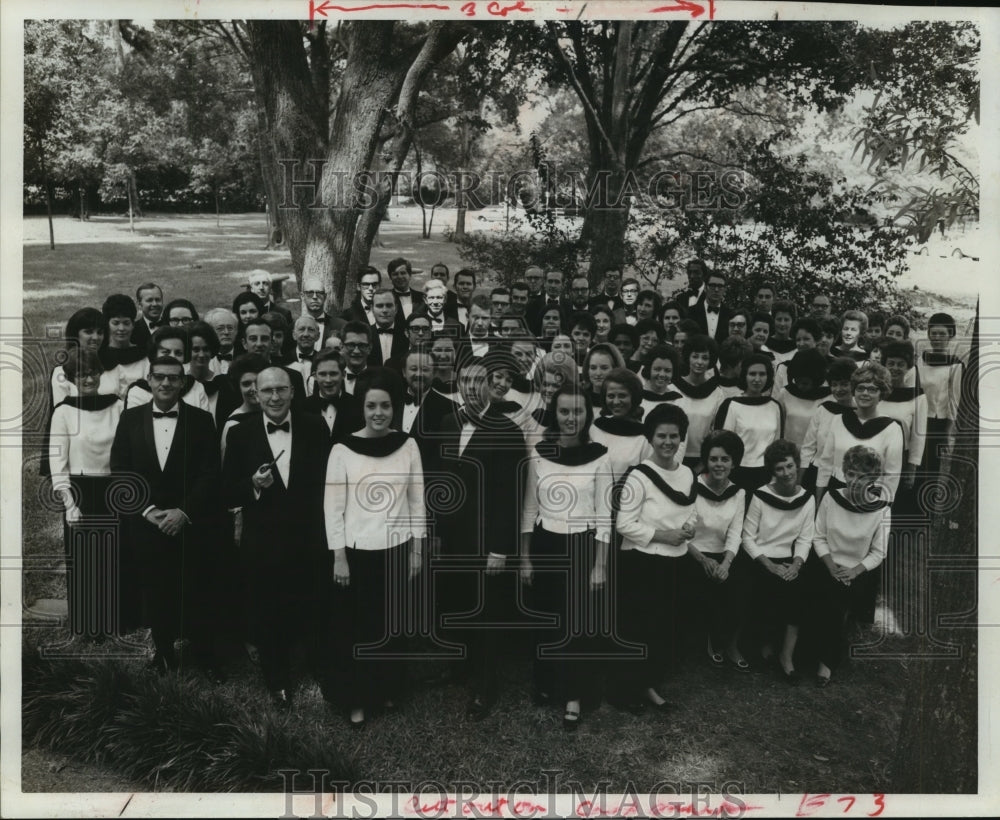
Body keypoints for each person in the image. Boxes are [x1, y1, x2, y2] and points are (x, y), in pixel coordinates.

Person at [222, 367, 334, 708]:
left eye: (281, 389)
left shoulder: (315, 426)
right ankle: (277, 679)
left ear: (293, 392)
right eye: (267, 390)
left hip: (310, 535)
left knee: (314, 604)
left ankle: (319, 666)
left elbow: (330, 481)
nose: (274, 397)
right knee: (268, 609)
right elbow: (226, 492)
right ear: (255, 393)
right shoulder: (240, 434)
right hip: (264, 540)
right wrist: (253, 486)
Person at [325, 368, 426, 727]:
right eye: (371, 406)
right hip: (355, 554)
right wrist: (339, 557)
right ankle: (356, 699)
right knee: (357, 629)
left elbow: (417, 500)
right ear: (362, 408)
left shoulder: (408, 445)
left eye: (385, 405)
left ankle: (387, 690)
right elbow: (332, 507)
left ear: (394, 408)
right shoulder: (342, 449)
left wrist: (417, 549)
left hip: (397, 550)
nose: (379, 413)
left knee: (390, 628)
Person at [110, 354, 220, 675]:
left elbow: (209, 473)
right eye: (159, 377)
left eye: (173, 378)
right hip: (148, 524)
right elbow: (121, 471)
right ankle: (165, 653)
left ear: (183, 383)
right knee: (156, 590)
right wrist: (148, 511)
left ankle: (204, 654)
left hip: (191, 521)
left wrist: (184, 511)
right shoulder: (130, 419)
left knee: (197, 588)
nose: (166, 383)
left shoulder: (201, 420)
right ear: (149, 380)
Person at [434, 356, 527, 719]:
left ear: (491, 386)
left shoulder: (507, 431)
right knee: (457, 605)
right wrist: (439, 534)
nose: (472, 389)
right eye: (466, 382)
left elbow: (511, 495)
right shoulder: (446, 422)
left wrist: (500, 549)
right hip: (453, 538)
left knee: (487, 613)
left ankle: (485, 687)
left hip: (488, 542)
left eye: (479, 382)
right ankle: (459, 668)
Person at [520, 386, 613, 731]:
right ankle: (546, 683)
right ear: (554, 414)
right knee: (546, 620)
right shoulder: (539, 453)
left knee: (576, 627)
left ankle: (574, 695)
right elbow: (529, 507)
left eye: (577, 412)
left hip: (583, 547)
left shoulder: (601, 456)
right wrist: (526, 557)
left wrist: (600, 564)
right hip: (545, 545)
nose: (571, 418)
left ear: (588, 414)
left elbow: (605, 514)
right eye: (564, 412)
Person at [613, 403, 697, 711]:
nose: (667, 442)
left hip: (676, 561)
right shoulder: (639, 477)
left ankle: (649, 685)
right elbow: (623, 524)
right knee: (638, 628)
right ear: (651, 438)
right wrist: (664, 535)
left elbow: (691, 509)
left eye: (674, 436)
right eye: (661, 435)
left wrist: (689, 527)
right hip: (643, 562)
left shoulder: (687, 472)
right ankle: (626, 691)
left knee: (663, 628)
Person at [47, 349, 126, 638]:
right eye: (81, 374)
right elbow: (58, 462)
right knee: (84, 559)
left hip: (114, 487)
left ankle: (114, 621)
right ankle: (87, 624)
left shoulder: (117, 406)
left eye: (93, 372)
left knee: (114, 556)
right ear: (70, 379)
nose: (89, 378)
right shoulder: (64, 412)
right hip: (80, 490)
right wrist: (69, 503)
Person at [808, 446, 890, 687]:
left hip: (857, 572)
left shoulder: (882, 509)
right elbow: (818, 536)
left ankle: (827, 661)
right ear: (844, 473)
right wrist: (831, 566)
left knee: (837, 602)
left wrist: (854, 571)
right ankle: (803, 651)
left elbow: (879, 552)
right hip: (825, 563)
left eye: (863, 476)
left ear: (873, 479)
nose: (855, 481)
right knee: (809, 594)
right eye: (851, 474)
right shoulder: (831, 498)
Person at [741, 440, 815, 684]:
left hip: (790, 558)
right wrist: (769, 565)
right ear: (772, 471)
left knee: (799, 592)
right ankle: (764, 645)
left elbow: (805, 538)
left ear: (797, 465)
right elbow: (747, 537)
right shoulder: (761, 496)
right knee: (764, 591)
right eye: (780, 469)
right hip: (761, 557)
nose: (786, 473)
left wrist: (796, 565)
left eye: (790, 466)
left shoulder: (807, 499)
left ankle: (787, 656)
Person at [686, 430, 749, 670]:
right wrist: (703, 560)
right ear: (706, 461)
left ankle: (730, 643)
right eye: (714, 459)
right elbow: (685, 528)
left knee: (741, 585)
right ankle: (706, 640)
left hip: (723, 555)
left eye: (725, 459)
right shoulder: (692, 486)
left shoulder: (739, 493)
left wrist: (725, 564)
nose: (719, 464)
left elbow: (735, 533)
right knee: (701, 587)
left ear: (734, 463)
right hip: (692, 553)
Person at [815, 362, 904, 506]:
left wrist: (883, 508)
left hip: (870, 497)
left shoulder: (892, 429)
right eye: (860, 388)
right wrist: (819, 498)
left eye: (872, 389)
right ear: (853, 391)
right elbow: (826, 463)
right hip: (836, 491)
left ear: (882, 394)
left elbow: (892, 476)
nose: (865, 393)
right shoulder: (838, 420)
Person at [713, 353, 784, 494]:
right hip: (736, 473)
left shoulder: (775, 406)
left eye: (762, 374)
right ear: (744, 376)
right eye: (752, 374)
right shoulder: (731, 405)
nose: (757, 379)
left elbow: (777, 444)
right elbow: (722, 445)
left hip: (766, 475)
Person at [915, 312, 963, 478]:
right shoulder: (921, 360)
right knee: (913, 464)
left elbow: (954, 402)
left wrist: (947, 434)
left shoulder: (955, 365)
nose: (937, 338)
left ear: (950, 336)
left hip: (937, 423)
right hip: (916, 418)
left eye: (942, 334)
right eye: (933, 333)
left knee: (930, 470)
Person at [799, 356, 857, 492]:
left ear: (853, 385)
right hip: (815, 473)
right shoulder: (823, 409)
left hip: (842, 479)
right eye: (834, 384)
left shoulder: (860, 414)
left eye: (844, 384)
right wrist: (799, 480)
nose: (838, 389)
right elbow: (808, 448)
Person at [123, 326, 211, 412]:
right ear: (154, 355)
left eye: (178, 353)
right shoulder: (138, 391)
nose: (172, 357)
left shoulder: (196, 388)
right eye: (166, 352)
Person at [673, 334, 725, 472]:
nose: (699, 362)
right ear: (688, 357)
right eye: (695, 356)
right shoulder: (673, 388)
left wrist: (702, 465)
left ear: (711, 361)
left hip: (703, 460)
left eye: (705, 358)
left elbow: (716, 432)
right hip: (672, 455)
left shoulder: (717, 393)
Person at [589, 367, 652, 481]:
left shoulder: (644, 437)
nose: (616, 402)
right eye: (611, 396)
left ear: (634, 396)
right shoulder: (594, 429)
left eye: (622, 395)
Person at [303, 347, 362, 445]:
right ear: (314, 376)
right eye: (322, 374)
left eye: (333, 374)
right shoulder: (303, 408)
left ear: (343, 375)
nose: (328, 380)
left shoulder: (357, 406)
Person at [775, 349, 831, 451]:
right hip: (789, 452)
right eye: (797, 381)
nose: (800, 386)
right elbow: (777, 428)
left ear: (816, 380)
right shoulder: (785, 393)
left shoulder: (828, 397)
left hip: (815, 452)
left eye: (805, 383)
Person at [187, 321, 239, 429]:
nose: (201, 355)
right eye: (195, 350)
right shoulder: (180, 384)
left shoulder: (225, 384)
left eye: (206, 349)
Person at [99, 294, 147, 392]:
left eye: (126, 323)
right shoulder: (99, 355)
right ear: (107, 324)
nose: (121, 328)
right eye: (115, 323)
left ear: (133, 325)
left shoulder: (143, 357)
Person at [639, 344, 684, 420]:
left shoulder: (678, 401)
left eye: (667, 370)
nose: (662, 375)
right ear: (649, 369)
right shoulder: (637, 397)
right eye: (657, 369)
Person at [300, 275, 346, 347]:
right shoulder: (293, 327)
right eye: (310, 293)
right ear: (302, 296)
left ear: (325, 296)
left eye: (319, 293)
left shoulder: (341, 326)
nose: (315, 297)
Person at [581, 342, 626, 411]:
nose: (598, 373)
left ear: (615, 369)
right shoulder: (579, 398)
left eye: (604, 368)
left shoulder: (623, 401)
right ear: (587, 370)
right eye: (593, 368)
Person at [691, 270, 733, 343]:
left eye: (720, 286)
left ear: (725, 289)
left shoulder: (731, 315)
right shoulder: (691, 312)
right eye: (712, 285)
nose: (716, 290)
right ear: (705, 288)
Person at [203, 308, 239, 373]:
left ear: (236, 331)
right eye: (220, 328)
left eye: (230, 328)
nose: (226, 332)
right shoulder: (203, 359)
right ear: (209, 332)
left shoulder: (245, 356)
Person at [131, 282, 164, 349]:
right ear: (139, 304)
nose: (155, 304)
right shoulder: (132, 331)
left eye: (158, 300)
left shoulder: (171, 325)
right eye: (149, 300)